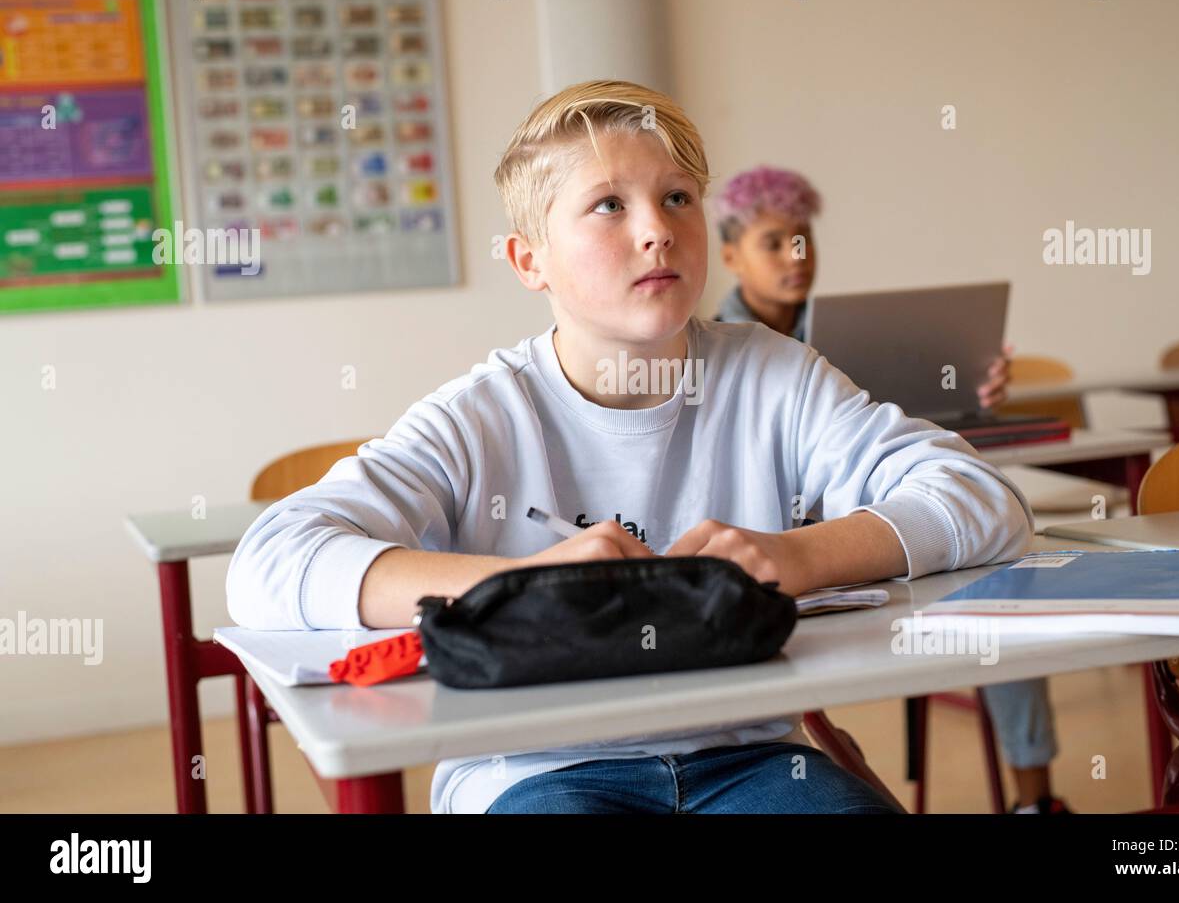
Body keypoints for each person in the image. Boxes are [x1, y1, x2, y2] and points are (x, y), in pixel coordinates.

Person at [227, 80, 1034, 814]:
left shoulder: (772, 374)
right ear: (528, 260)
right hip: (535, 768)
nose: (657, 231)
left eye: (678, 197)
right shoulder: (480, 416)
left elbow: (981, 500)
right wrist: (521, 585)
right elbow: (269, 563)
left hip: (748, 756)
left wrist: (800, 555)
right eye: (609, 206)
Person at [712, 165, 1068, 814]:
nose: (798, 257)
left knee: (1001, 598)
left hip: (881, 532)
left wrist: (971, 397)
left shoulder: (846, 334)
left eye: (805, 239)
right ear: (731, 256)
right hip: (793, 558)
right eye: (775, 242)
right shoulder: (710, 356)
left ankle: (1034, 804)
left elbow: (900, 441)